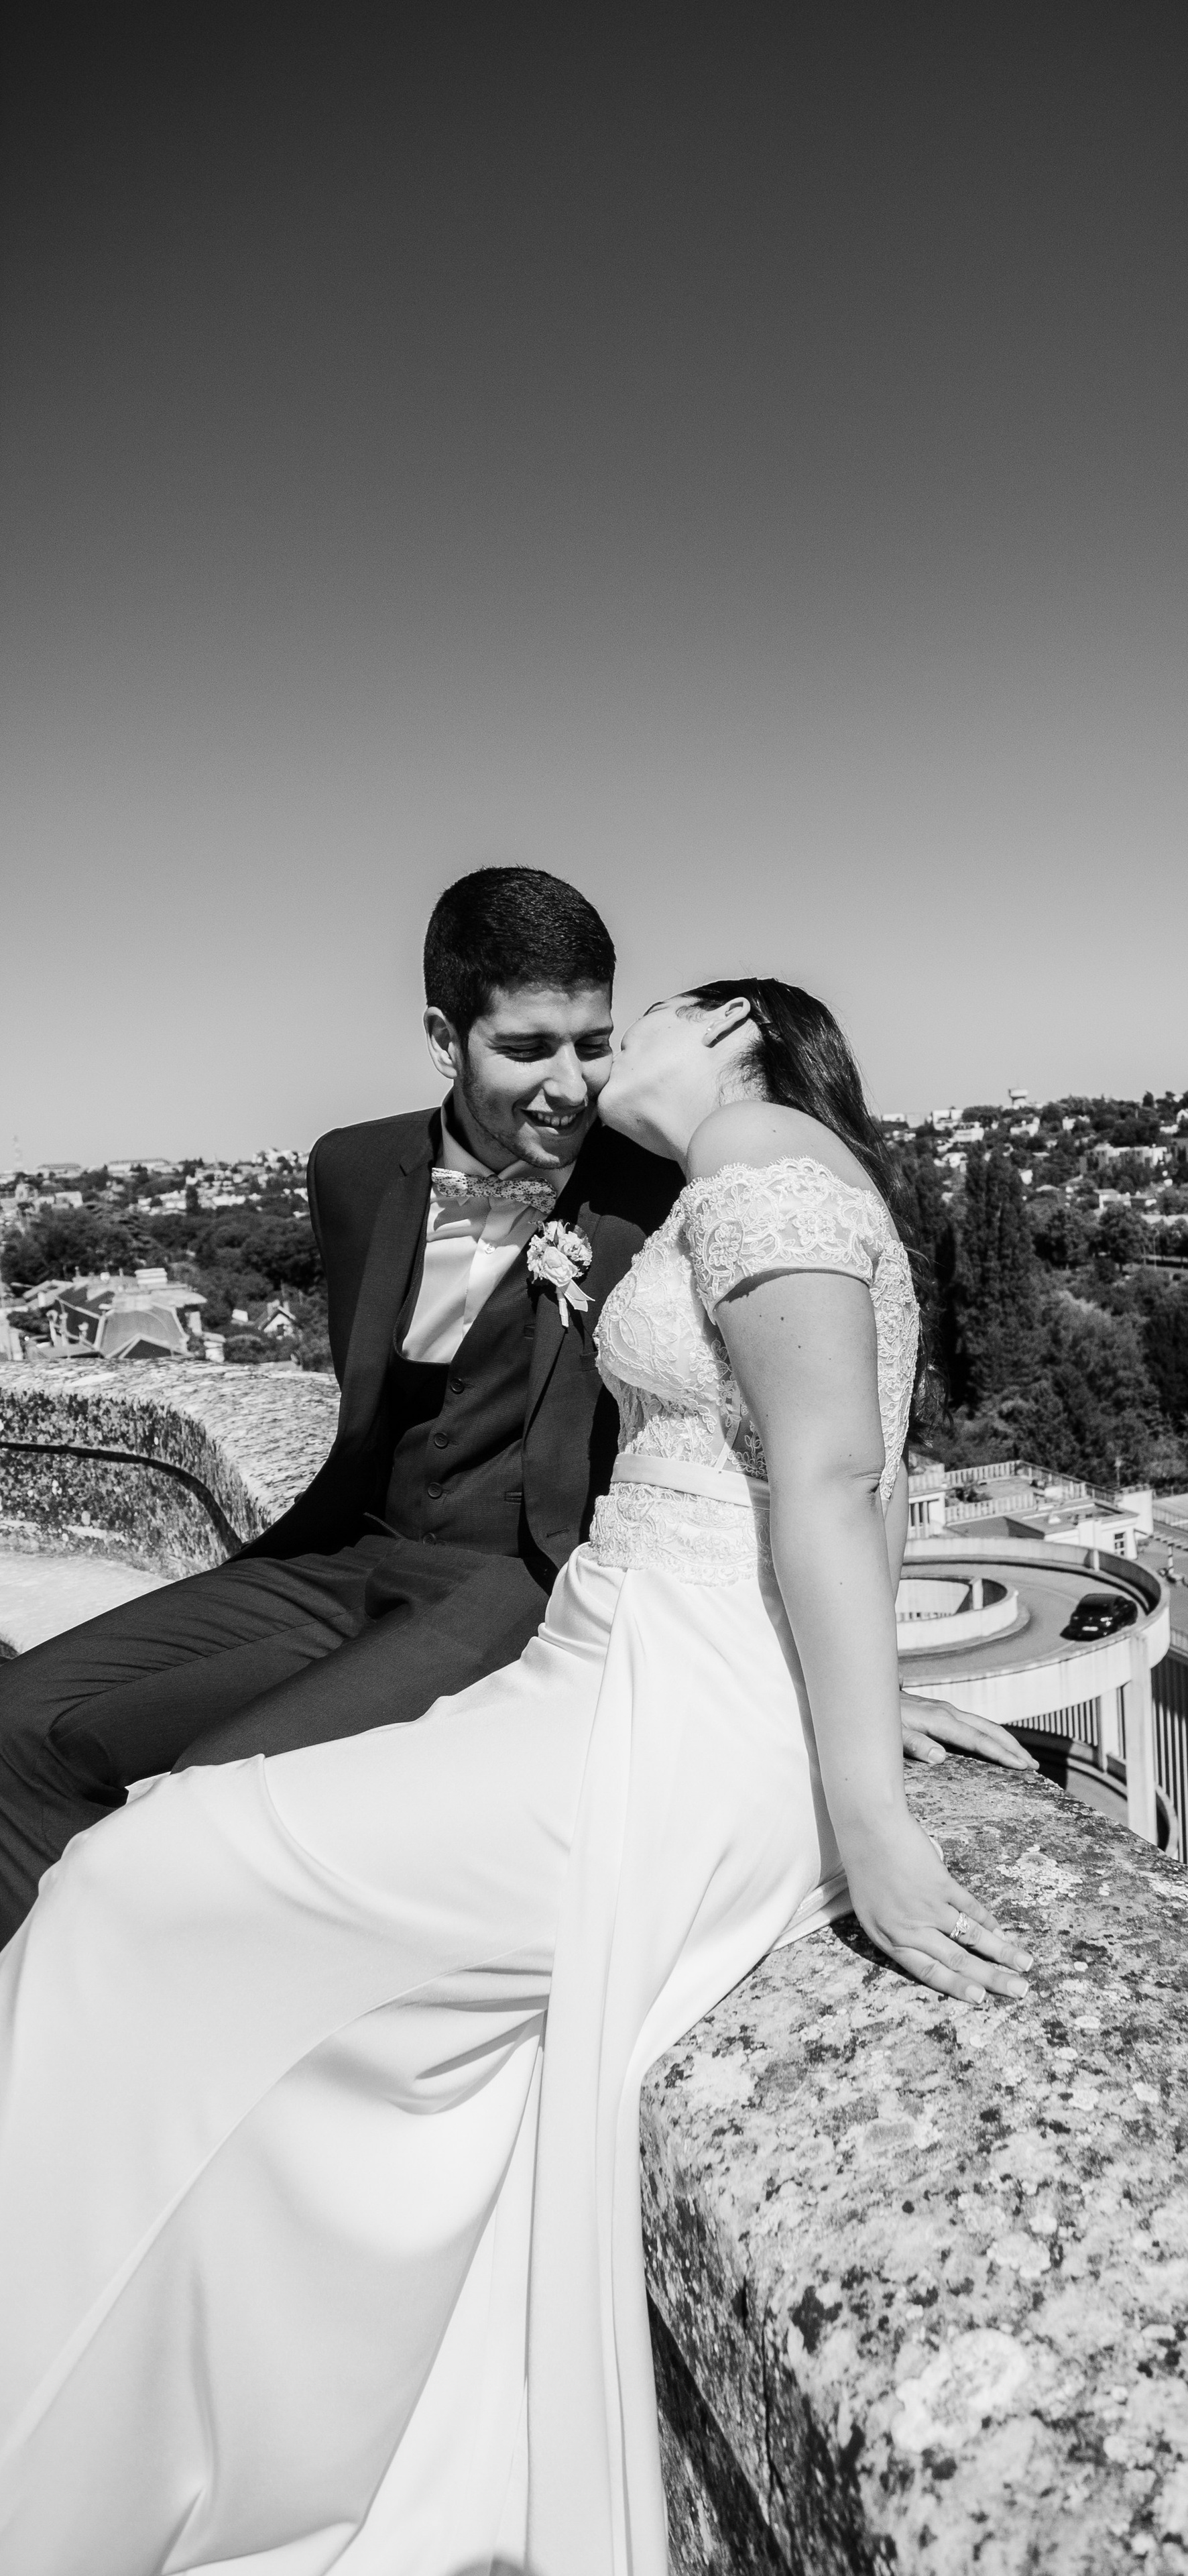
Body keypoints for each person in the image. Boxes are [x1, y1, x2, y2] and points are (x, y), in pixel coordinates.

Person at [0, 976, 1034, 2576]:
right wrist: (866, 1694)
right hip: (603, 1666)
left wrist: (871, 1817)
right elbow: (843, 1465)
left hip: (660, 1713)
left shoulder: (755, 1140)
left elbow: (836, 1472)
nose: (619, 1057)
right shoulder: (738, 1176)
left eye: (654, 1019)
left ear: (744, 1034)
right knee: (171, 1873)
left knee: (148, 1875)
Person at [0, 872, 1021, 1942]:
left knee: (198, 1809)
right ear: (447, 1036)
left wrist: (851, 1686)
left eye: (595, 1042)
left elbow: (836, 1439)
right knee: (22, 1728)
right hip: (345, 1553)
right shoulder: (350, 1169)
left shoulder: (671, 1174)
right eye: (529, 1049)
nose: (572, 1085)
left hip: (522, 1589)